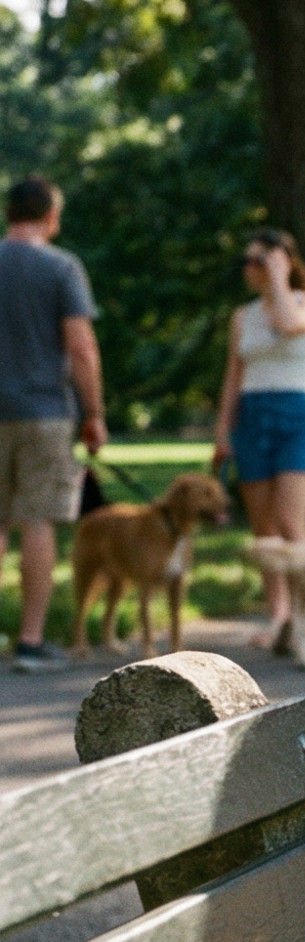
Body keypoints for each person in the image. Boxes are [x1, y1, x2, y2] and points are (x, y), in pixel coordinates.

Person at [0, 176, 107, 672]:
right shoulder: (62, 267)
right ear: (51, 217)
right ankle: (29, 641)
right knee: (37, 521)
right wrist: (94, 414)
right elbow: (82, 347)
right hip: (43, 411)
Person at [212, 229, 305, 648]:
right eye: (248, 261)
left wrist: (279, 279)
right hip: (252, 415)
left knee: (292, 524)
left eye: (259, 260)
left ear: (284, 262)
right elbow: (233, 374)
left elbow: (289, 324)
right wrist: (223, 429)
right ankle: (278, 616)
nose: (250, 268)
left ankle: (304, 615)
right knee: (264, 527)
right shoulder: (242, 316)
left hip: (297, 414)